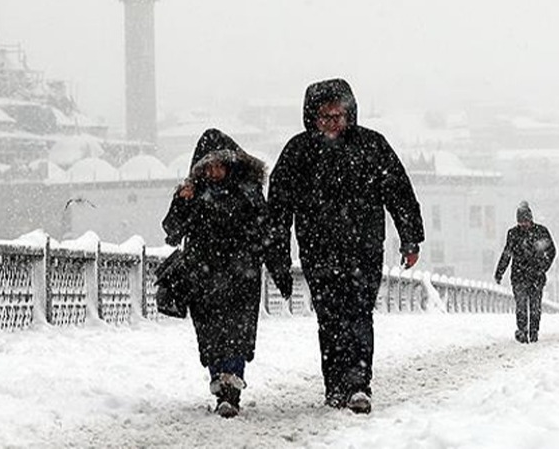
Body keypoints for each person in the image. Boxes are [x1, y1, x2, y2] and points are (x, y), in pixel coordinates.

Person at [267, 78, 424, 414]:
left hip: (363, 249)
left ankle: (357, 384)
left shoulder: (372, 146)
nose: (333, 123)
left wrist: (410, 237)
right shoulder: (298, 153)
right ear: (313, 117)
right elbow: (277, 208)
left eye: (339, 116)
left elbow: (399, 192)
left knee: (358, 314)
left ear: (350, 114)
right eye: (325, 117)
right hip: (317, 250)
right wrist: (277, 255)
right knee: (330, 317)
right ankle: (335, 385)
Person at [161, 128, 291, 419]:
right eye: (209, 166)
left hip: (241, 277)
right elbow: (171, 232)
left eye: (220, 164)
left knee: (237, 333)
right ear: (201, 168)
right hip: (203, 278)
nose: (216, 171)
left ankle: (231, 388)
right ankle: (220, 384)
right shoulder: (192, 195)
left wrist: (279, 269)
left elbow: (267, 234)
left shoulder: (248, 193)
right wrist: (182, 201)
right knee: (210, 335)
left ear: (231, 164)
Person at [494, 201, 556, 343]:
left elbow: (551, 251)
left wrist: (542, 267)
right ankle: (522, 331)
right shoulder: (513, 234)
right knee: (521, 305)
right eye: (521, 222)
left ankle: (534, 332)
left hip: (536, 276)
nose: (524, 225)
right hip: (519, 276)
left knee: (535, 306)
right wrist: (500, 272)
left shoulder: (541, 232)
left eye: (525, 221)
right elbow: (507, 254)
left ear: (530, 219)